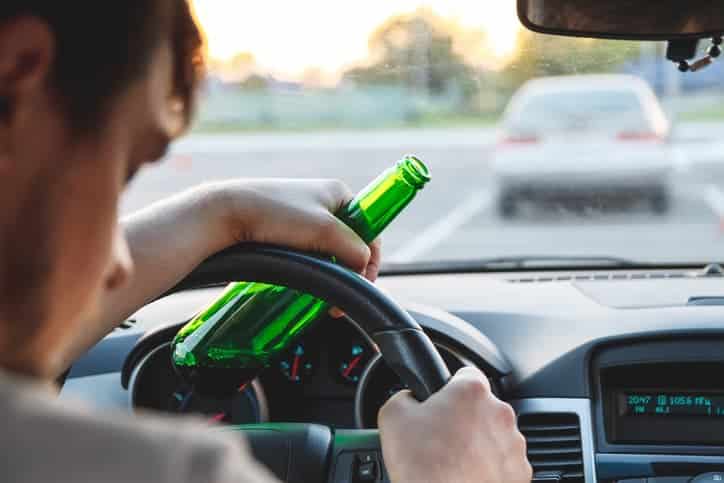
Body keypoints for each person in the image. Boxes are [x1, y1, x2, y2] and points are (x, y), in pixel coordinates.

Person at [0, 1, 532, 482]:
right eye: (122, 173)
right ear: (15, 75)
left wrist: (223, 214)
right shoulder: (175, 469)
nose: (117, 266)